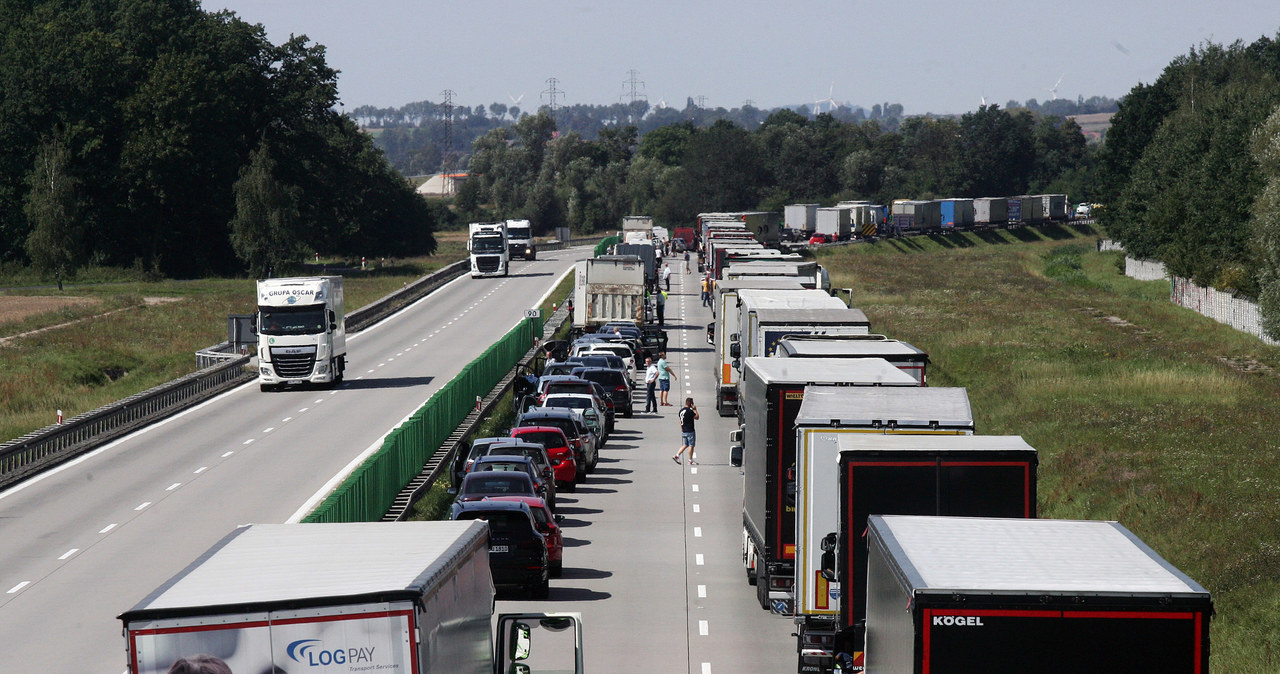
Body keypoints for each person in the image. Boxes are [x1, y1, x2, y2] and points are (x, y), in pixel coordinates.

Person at [673, 397, 699, 465]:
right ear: (690, 403)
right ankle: (690, 460)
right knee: (691, 445)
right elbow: (697, 417)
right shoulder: (689, 411)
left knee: (685, 444)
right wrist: (695, 409)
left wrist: (681, 428)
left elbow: (680, 420)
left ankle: (677, 455)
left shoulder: (681, 411)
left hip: (684, 430)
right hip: (690, 430)